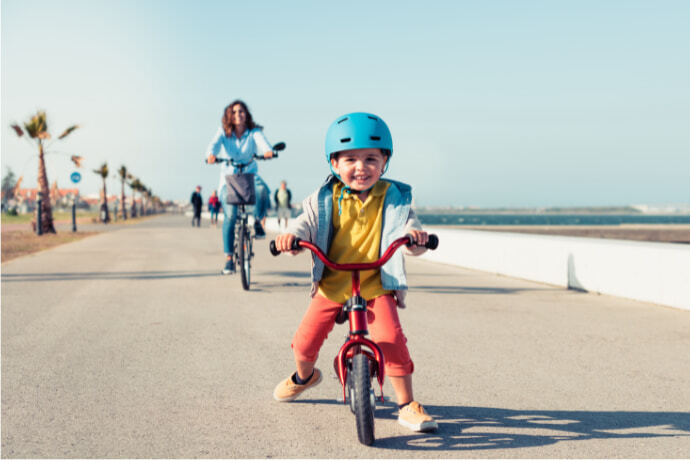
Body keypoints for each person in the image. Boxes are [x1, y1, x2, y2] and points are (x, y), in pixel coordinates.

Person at [272, 112, 438, 432]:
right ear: (334, 164)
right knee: (304, 343)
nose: (361, 167)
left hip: (376, 283)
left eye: (371, 159)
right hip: (333, 283)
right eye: (350, 159)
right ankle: (304, 377)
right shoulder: (323, 198)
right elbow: (303, 224)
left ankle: (407, 404)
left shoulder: (394, 198)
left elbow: (409, 230)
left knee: (390, 339)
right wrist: (292, 239)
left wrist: (416, 239)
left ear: (385, 162)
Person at [205, 100, 274, 274]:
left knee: (262, 190)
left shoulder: (253, 132)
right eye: (234, 112)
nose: (238, 115)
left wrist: (268, 151)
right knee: (230, 215)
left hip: (250, 176)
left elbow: (263, 143)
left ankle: (258, 221)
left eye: (241, 111)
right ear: (229, 115)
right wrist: (211, 155)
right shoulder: (223, 133)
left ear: (246, 114)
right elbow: (213, 145)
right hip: (228, 180)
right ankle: (229, 258)